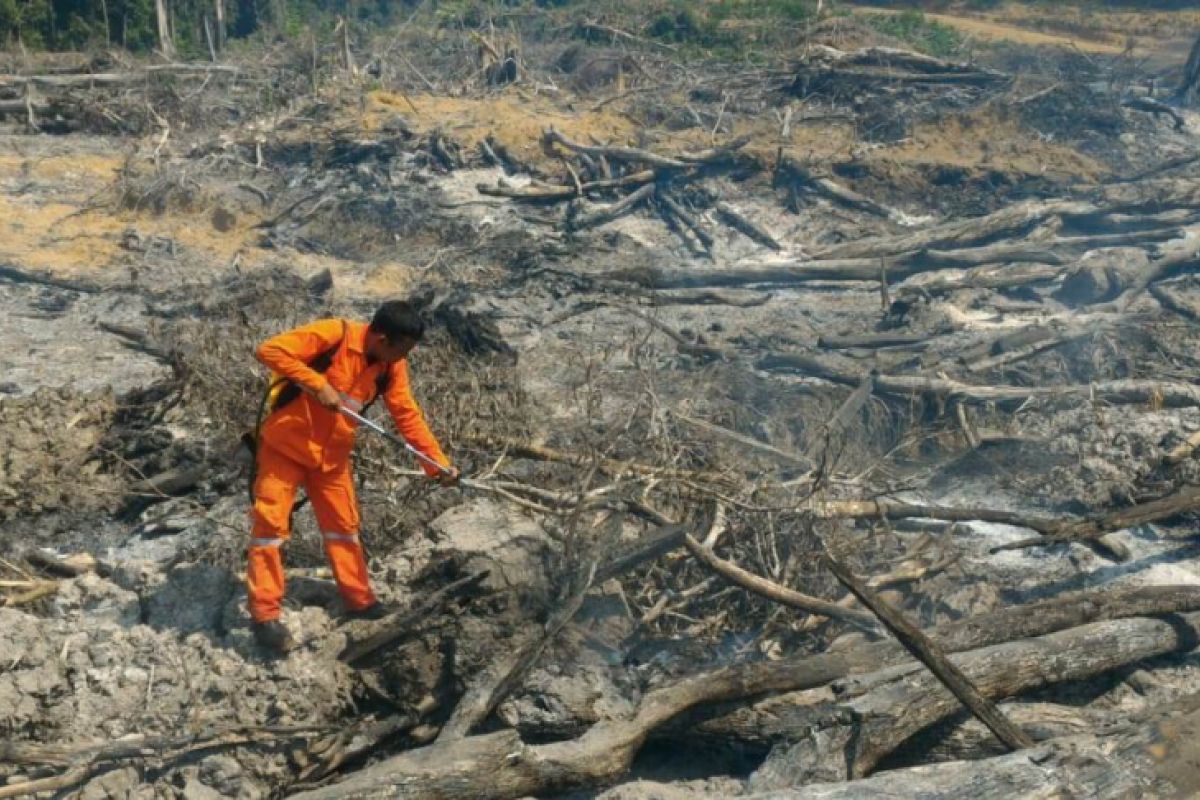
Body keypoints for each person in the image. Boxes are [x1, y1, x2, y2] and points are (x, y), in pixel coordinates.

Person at [246, 300, 458, 652]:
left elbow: (407, 416)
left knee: (344, 528)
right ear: (379, 336)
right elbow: (270, 349)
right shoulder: (334, 334)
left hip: (331, 459)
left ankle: (360, 601)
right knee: (269, 530)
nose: (402, 358)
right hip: (285, 447)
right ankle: (265, 615)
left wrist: (436, 465)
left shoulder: (393, 365)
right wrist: (317, 384)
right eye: (400, 349)